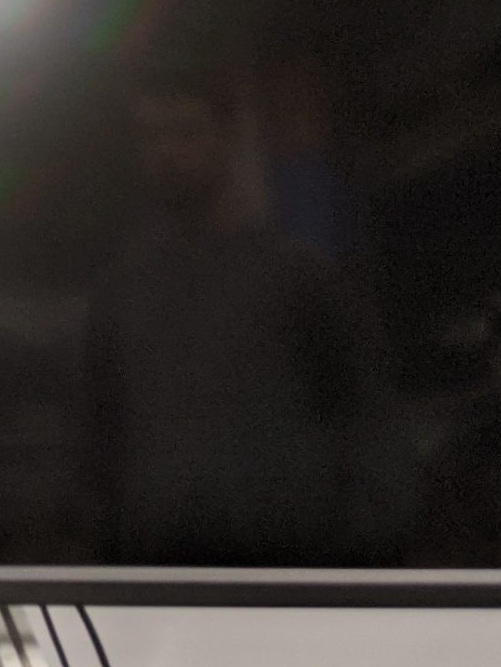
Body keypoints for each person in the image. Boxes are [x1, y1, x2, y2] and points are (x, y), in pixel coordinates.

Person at [82, 67, 416, 566]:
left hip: (287, 570)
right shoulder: (121, 295)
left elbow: (368, 421)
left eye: (186, 131)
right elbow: (101, 437)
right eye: (152, 136)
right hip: (161, 573)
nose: (167, 151)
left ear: (227, 139)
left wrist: (362, 553)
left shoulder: (299, 278)